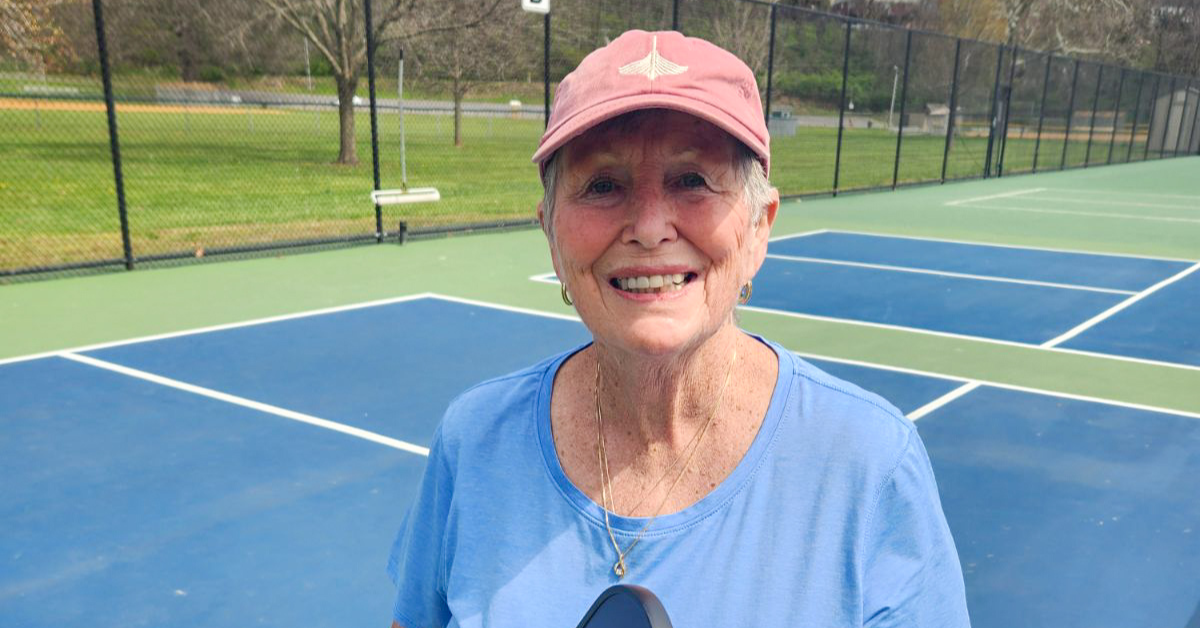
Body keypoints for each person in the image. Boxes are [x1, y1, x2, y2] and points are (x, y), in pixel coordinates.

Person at [388, 30, 970, 627]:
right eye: (603, 186)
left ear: (759, 228)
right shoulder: (473, 442)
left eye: (691, 180)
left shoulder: (870, 466)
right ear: (550, 233)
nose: (648, 226)